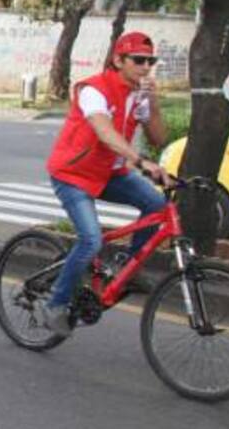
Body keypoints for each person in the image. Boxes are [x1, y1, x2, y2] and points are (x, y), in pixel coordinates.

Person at [40, 31, 170, 338]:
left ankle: (126, 269)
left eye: (150, 61)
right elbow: (104, 132)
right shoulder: (94, 90)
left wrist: (153, 102)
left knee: (157, 206)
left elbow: (159, 138)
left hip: (109, 173)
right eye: (138, 60)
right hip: (73, 175)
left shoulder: (138, 95)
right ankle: (55, 303)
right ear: (118, 60)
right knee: (91, 241)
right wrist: (140, 162)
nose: (145, 67)